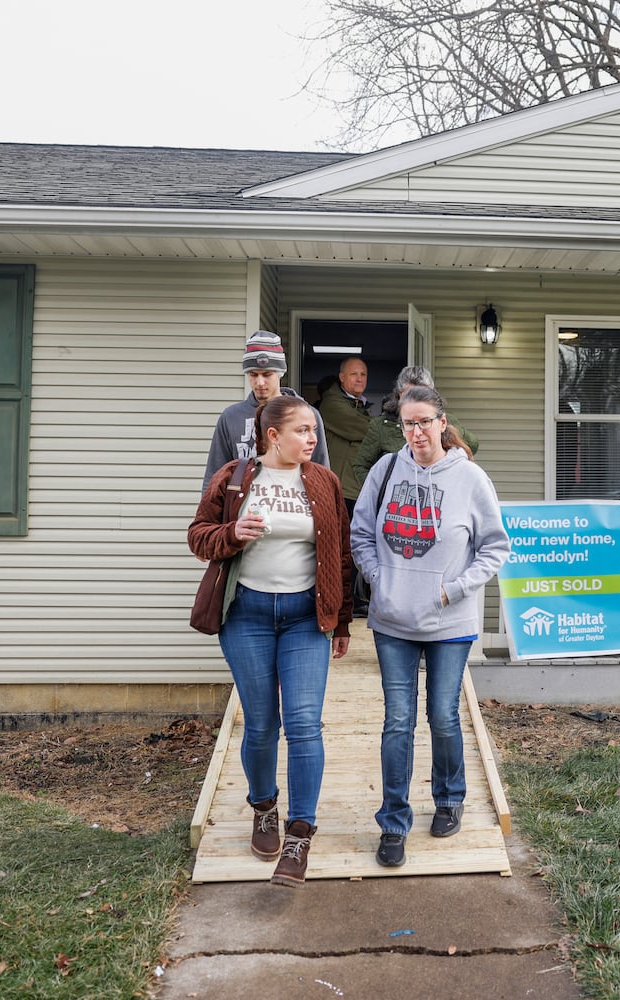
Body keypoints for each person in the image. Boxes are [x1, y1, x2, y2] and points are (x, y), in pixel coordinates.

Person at [188, 395, 354, 887]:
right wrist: (232, 533)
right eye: (303, 430)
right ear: (273, 435)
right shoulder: (234, 478)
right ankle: (264, 808)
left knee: (304, 725)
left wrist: (342, 621)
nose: (313, 438)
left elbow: (341, 555)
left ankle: (300, 833)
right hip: (247, 616)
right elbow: (198, 536)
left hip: (305, 618)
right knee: (261, 724)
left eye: (314, 430)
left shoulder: (323, 481)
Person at [351, 385, 510, 868]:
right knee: (397, 721)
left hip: (449, 621)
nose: (416, 432)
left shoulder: (471, 478)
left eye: (424, 422)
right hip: (393, 620)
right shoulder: (385, 470)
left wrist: (453, 590)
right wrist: (380, 581)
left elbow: (495, 547)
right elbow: (361, 534)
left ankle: (449, 798)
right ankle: (393, 823)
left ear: (443, 423)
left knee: (443, 716)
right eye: (408, 423)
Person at [203, 330, 329, 490]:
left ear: (280, 373)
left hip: (294, 501)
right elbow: (214, 475)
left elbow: (321, 473)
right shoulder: (231, 417)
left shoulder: (307, 416)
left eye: (267, 374)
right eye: (253, 374)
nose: (260, 382)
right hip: (243, 503)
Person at [350, 366, 480, 490]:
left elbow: (472, 445)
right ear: (400, 395)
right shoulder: (381, 426)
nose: (416, 400)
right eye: (410, 394)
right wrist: (382, 490)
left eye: (423, 394)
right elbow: (361, 466)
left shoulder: (443, 421)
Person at [317, 356, 373, 514]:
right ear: (342, 377)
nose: (359, 379)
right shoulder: (331, 403)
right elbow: (365, 429)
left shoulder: (360, 405)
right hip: (339, 488)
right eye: (354, 374)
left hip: (356, 487)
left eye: (363, 374)